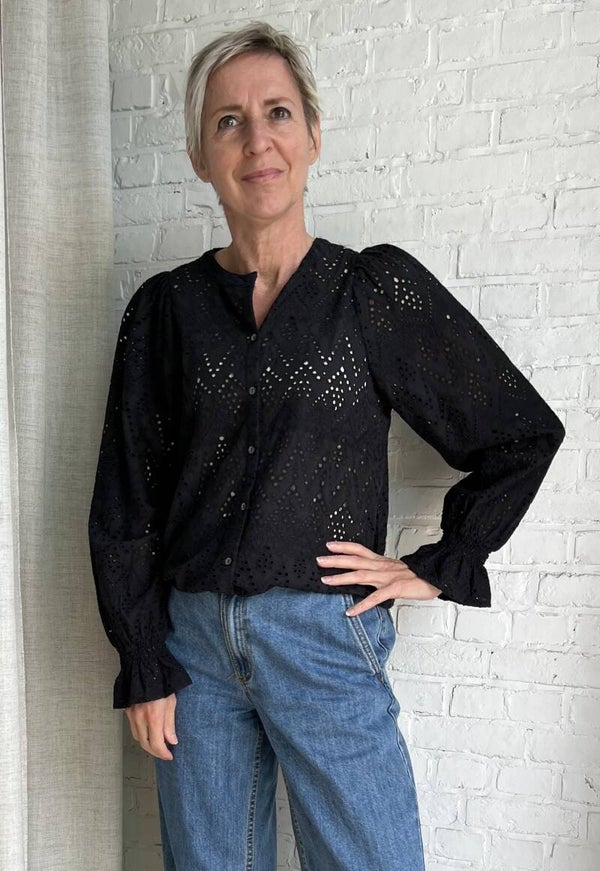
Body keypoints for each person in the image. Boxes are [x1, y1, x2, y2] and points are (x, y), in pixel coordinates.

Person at [87, 20, 566, 871]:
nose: (257, 139)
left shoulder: (368, 291)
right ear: (199, 156)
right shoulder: (165, 312)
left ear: (312, 134)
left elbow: (519, 432)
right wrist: (144, 660)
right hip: (192, 651)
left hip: (322, 635)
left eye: (277, 112)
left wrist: (439, 562)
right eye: (228, 121)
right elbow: (126, 501)